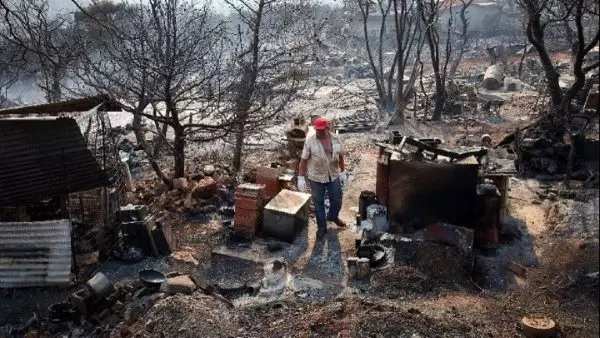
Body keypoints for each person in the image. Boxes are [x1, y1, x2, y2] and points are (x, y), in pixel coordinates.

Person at [297, 117, 348, 239]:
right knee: (318, 202)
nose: (319, 132)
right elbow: (303, 161)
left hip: (333, 174)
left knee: (337, 198)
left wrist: (343, 173)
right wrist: (301, 177)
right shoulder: (310, 141)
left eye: (321, 130)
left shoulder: (335, 139)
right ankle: (321, 227)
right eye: (317, 130)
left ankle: (333, 216)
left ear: (328, 128)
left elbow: (340, 157)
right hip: (316, 176)